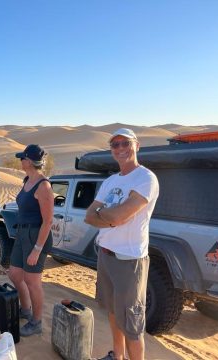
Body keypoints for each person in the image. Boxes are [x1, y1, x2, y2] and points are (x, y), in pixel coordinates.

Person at [84, 128, 159, 360]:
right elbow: (89, 216)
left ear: (137, 145)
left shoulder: (146, 178)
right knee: (114, 313)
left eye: (125, 143)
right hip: (106, 255)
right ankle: (117, 357)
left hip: (128, 259)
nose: (120, 149)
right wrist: (113, 216)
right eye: (115, 145)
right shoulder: (110, 181)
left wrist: (105, 215)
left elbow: (117, 216)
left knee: (132, 323)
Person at [7, 144, 54, 337]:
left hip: (36, 236)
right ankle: (25, 309)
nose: (20, 161)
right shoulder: (27, 180)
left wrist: (37, 248)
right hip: (22, 233)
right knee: (14, 274)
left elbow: (48, 221)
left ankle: (36, 321)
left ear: (29, 161)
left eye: (22, 158)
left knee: (32, 280)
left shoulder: (43, 186)